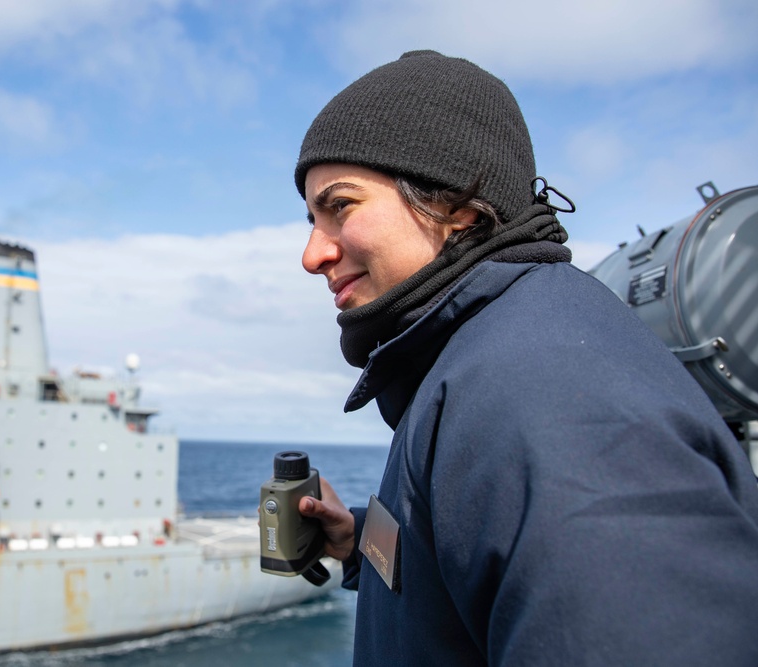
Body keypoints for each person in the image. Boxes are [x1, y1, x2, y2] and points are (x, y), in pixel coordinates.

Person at [294, 50, 758, 666]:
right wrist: (358, 543)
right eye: (310, 218)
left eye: (341, 206)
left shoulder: (543, 385)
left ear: (455, 205)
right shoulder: (474, 353)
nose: (311, 254)